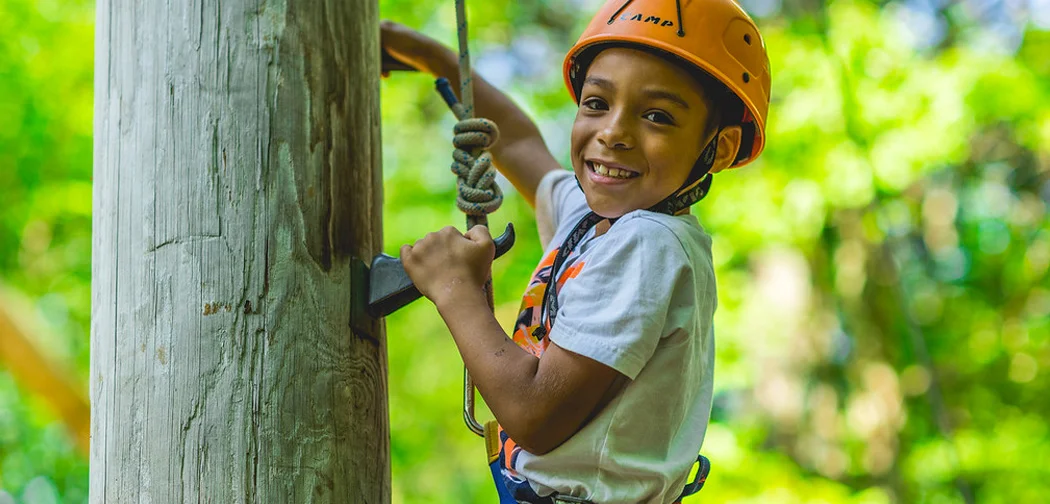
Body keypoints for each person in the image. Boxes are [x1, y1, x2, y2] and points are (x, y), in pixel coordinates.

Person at [385, 0, 770, 501]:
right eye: (596, 104)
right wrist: (431, 57)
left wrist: (454, 287)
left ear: (719, 147)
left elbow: (533, 416)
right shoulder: (593, 220)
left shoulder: (648, 244)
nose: (612, 132)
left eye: (657, 116)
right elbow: (517, 143)